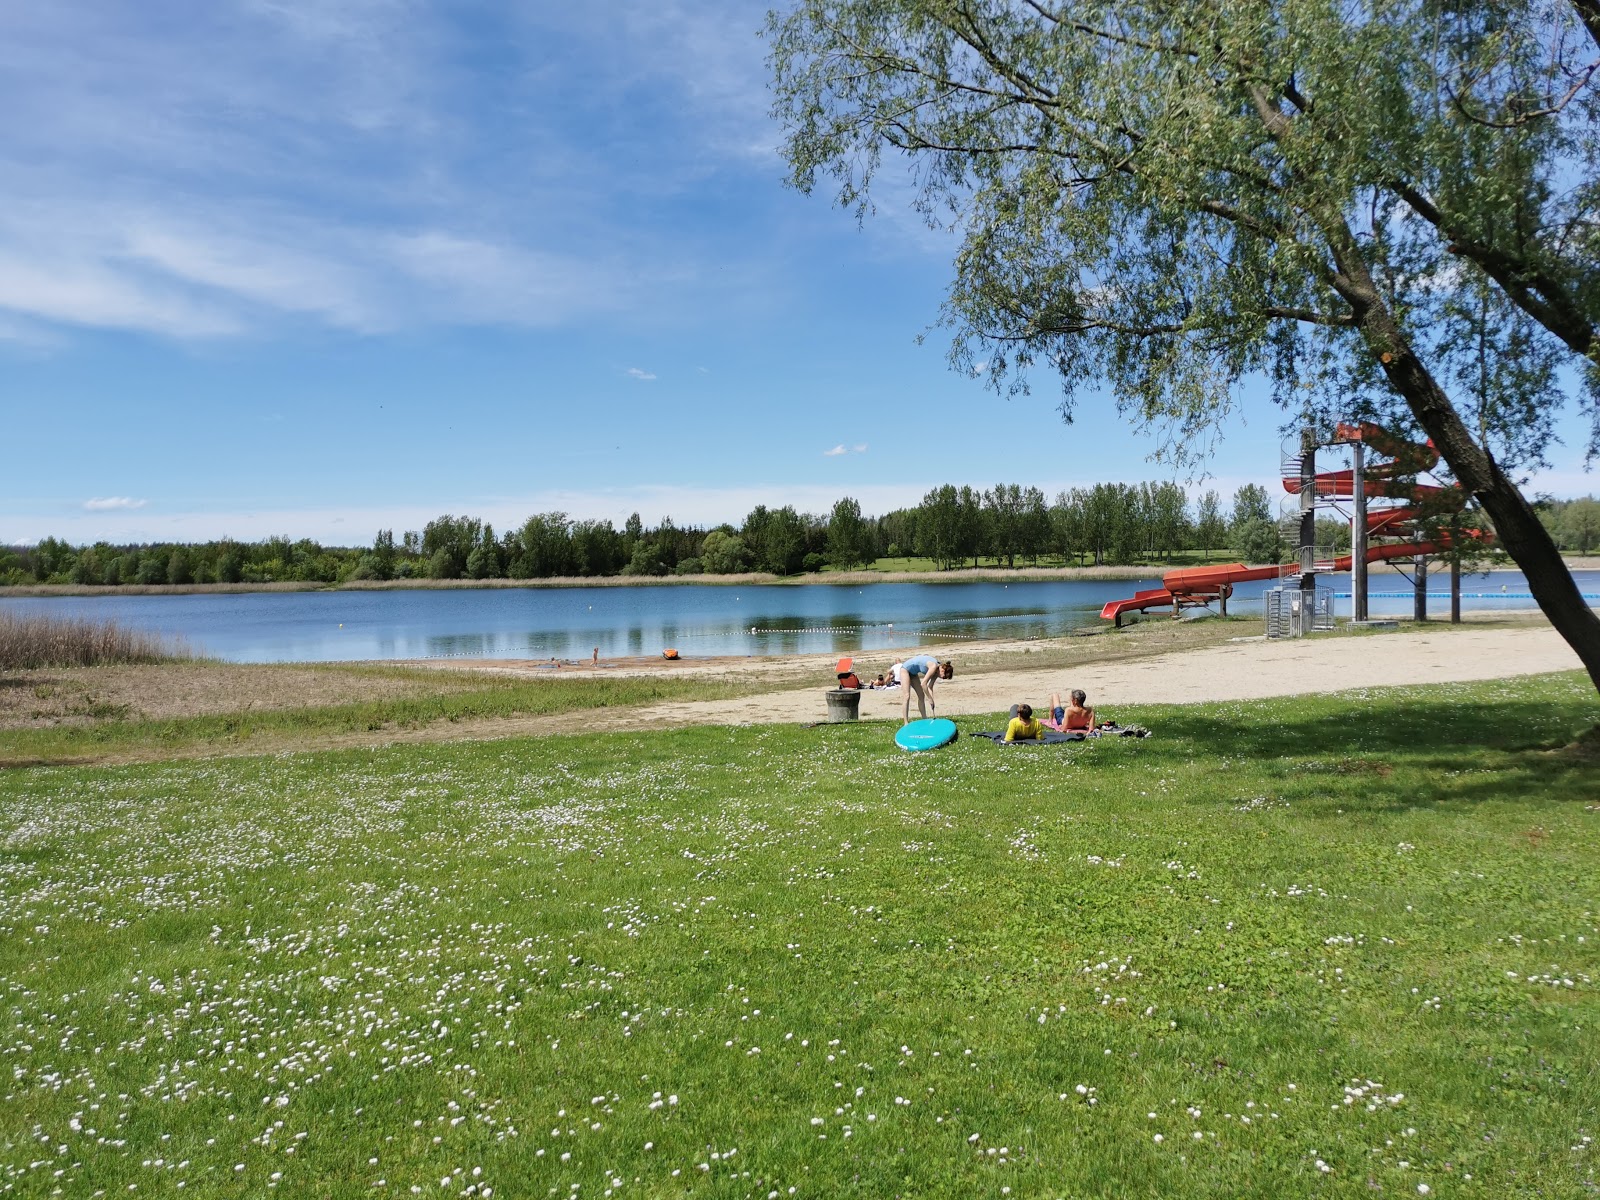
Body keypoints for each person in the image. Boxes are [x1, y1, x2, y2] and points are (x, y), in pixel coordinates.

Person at [892, 654, 953, 724]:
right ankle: (906, 723)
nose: (943, 678)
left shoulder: (937, 672)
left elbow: (930, 687)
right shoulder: (933, 667)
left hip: (913, 673)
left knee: (921, 696)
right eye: (944, 677)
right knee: (907, 696)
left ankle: (924, 719)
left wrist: (932, 700)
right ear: (942, 670)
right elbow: (923, 683)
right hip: (905, 669)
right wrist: (929, 698)